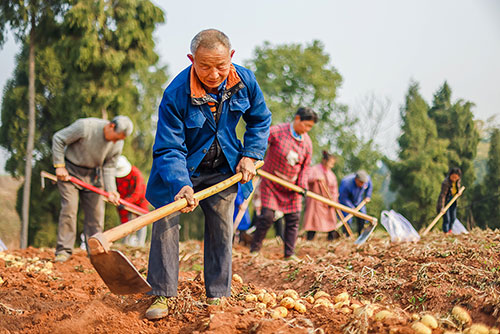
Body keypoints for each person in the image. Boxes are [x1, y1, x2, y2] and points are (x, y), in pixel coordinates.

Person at [144, 29, 271, 320]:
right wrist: (181, 184)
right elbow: (168, 147)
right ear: (191, 60)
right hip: (180, 169)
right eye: (205, 66)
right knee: (165, 226)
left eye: (221, 66)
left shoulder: (245, 81)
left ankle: (217, 295)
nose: (214, 74)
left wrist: (251, 155)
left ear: (232, 57)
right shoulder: (176, 94)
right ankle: (162, 294)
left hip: (223, 168)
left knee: (222, 229)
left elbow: (260, 120)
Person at [52, 115, 134, 262]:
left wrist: (111, 190)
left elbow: (109, 167)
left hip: (94, 177)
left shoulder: (117, 143)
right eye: (115, 138)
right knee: (69, 210)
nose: (115, 142)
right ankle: (63, 251)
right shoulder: (85, 127)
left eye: (119, 140)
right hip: (70, 173)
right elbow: (58, 138)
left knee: (96, 216)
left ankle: (96, 254)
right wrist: (60, 166)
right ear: (110, 126)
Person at [250, 107, 317, 260]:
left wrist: (302, 184)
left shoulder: (307, 143)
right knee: (267, 216)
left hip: (292, 186)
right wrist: (254, 160)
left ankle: (289, 253)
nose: (307, 129)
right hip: (271, 181)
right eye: (306, 125)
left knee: (293, 218)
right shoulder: (278, 131)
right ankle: (255, 249)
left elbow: (305, 167)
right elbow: (260, 141)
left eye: (310, 127)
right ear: (297, 119)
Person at [303, 151, 339, 241]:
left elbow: (334, 190)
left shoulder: (332, 175)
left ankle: (331, 239)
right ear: (324, 160)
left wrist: (333, 200)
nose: (331, 165)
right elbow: (305, 180)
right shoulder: (314, 169)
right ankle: (309, 239)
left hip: (327, 201)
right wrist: (315, 179)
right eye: (330, 163)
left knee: (331, 220)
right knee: (313, 221)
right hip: (315, 200)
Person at [115, 155, 149, 247]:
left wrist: (126, 202)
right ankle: (125, 243)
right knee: (125, 221)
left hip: (139, 201)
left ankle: (140, 244)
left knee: (142, 220)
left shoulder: (136, 174)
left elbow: (137, 193)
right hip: (123, 200)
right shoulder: (116, 177)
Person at [338, 170, 372, 235]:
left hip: (358, 200)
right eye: (361, 182)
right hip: (347, 201)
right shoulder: (346, 183)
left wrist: (367, 196)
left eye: (364, 183)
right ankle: (346, 235)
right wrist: (351, 207)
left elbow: (370, 187)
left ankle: (360, 233)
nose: (362, 184)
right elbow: (343, 198)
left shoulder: (367, 180)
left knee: (363, 216)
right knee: (347, 218)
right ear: (356, 179)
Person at [437, 167, 462, 234]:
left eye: (456, 177)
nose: (454, 179)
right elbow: (443, 196)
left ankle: (450, 230)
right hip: (446, 201)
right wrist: (442, 207)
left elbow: (457, 189)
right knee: (447, 219)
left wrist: (459, 192)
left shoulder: (457, 181)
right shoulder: (446, 183)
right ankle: (446, 232)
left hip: (453, 201)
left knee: (453, 218)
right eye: (453, 177)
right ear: (450, 175)